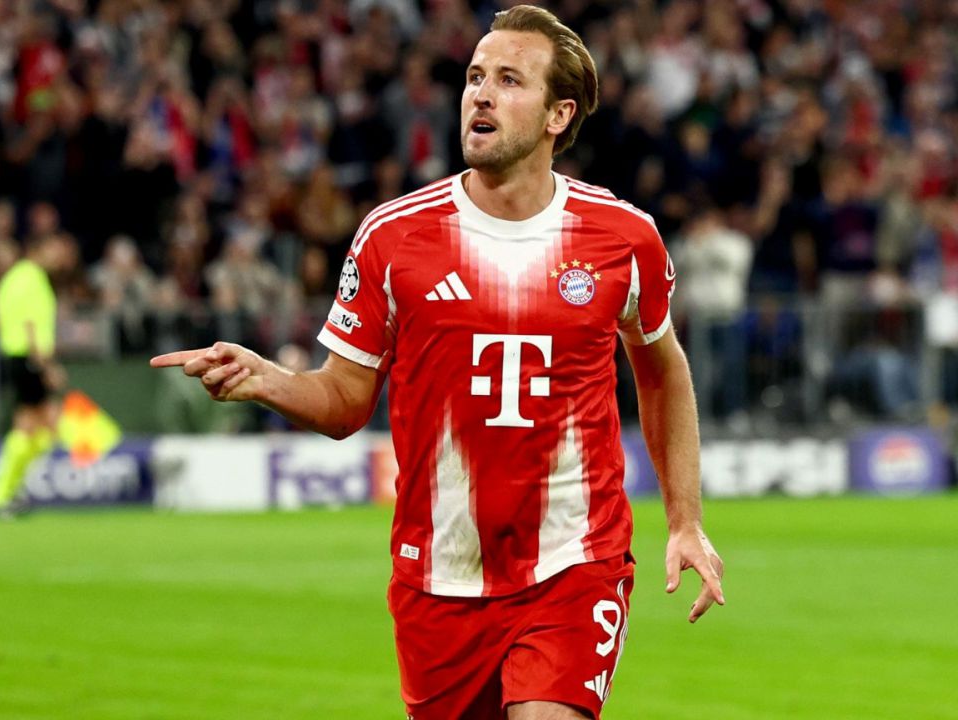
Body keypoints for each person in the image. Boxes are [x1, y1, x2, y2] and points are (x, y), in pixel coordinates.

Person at [151, 6, 724, 719]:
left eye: (509, 80)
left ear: (558, 115)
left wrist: (684, 520)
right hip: (438, 579)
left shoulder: (622, 237)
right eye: (475, 77)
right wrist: (269, 380)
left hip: (575, 563)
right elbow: (345, 401)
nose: (481, 93)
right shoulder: (393, 236)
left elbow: (662, 368)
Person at [0, 233, 71, 515]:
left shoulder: (12, 278)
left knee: (43, 426)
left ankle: (10, 490)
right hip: (29, 358)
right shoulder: (34, 279)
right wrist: (46, 365)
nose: (60, 257)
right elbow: (32, 325)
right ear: (39, 249)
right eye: (55, 249)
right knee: (33, 426)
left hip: (14, 356)